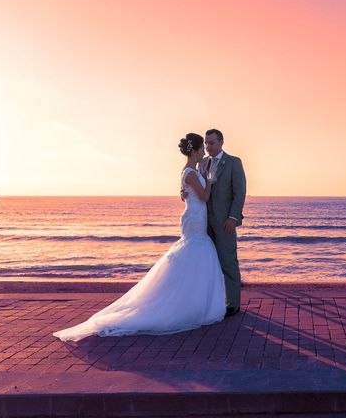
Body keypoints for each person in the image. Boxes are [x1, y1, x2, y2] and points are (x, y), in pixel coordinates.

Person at [53, 133, 226, 342]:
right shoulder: (191, 172)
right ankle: (184, 303)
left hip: (196, 217)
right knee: (196, 251)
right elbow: (205, 196)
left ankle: (193, 300)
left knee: (197, 253)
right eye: (201, 149)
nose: (204, 152)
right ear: (194, 150)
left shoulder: (191, 170)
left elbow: (191, 193)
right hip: (195, 218)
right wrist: (210, 181)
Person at [188, 129, 246, 317]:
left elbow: (239, 193)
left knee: (228, 262)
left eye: (211, 143)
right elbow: (197, 189)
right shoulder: (202, 164)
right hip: (204, 223)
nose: (208, 147)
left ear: (221, 142)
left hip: (224, 222)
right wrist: (185, 193)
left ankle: (233, 304)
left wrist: (233, 218)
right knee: (209, 264)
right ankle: (215, 301)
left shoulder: (233, 162)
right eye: (206, 143)